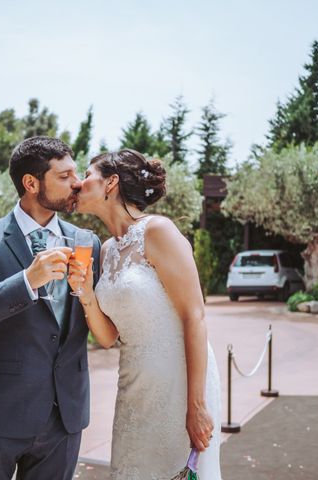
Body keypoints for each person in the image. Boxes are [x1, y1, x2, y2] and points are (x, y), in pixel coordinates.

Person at [0, 136, 101, 480]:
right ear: (31, 183)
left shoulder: (87, 242)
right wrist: (26, 281)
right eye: (64, 176)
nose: (76, 183)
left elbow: (99, 321)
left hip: (64, 417)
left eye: (75, 173)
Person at [67, 149, 222, 479]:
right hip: (134, 387)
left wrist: (196, 407)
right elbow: (108, 338)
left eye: (86, 174)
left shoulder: (158, 231)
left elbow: (195, 316)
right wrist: (86, 296)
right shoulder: (107, 250)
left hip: (179, 384)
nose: (78, 183)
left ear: (111, 182)